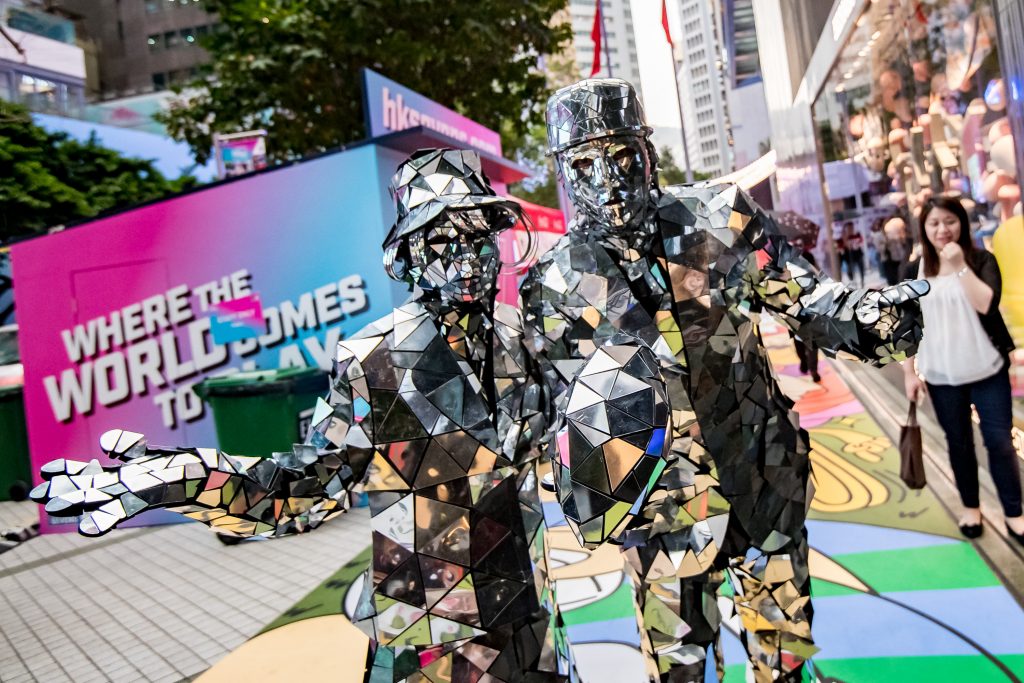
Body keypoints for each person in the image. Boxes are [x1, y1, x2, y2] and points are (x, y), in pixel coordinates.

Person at [32, 149, 566, 681]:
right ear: (408, 258)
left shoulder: (522, 337)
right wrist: (189, 480)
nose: (468, 257)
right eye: (443, 239)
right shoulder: (374, 360)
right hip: (432, 636)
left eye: (478, 235)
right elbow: (309, 487)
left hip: (529, 617)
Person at [522, 78, 928, 682]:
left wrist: (872, 323)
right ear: (561, 170)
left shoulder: (719, 218)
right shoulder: (552, 283)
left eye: (622, 156)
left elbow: (804, 298)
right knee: (678, 670)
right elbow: (560, 413)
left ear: (648, 155)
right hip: (657, 518)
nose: (607, 181)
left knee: (785, 656)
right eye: (583, 163)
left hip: (763, 478)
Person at [902, 195, 1024, 545]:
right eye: (934, 223)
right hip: (942, 376)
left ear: (962, 223)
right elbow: (905, 327)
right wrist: (910, 374)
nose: (943, 229)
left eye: (950, 221)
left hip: (988, 369)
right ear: (924, 229)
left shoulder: (982, 259)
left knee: (1000, 443)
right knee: (959, 444)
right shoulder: (913, 272)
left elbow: (985, 303)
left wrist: (959, 266)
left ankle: (1014, 513)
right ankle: (971, 508)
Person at [792, 239, 821, 382]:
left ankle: (814, 369)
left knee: (813, 343)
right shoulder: (789, 265)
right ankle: (803, 360)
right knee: (799, 343)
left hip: (810, 313)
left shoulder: (809, 260)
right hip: (794, 313)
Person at [881, 215, 915, 286]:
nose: (887, 236)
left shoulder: (911, 244)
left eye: (889, 233)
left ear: (899, 232)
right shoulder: (888, 248)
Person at [842, 221, 866, 287]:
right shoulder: (846, 236)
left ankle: (862, 281)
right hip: (850, 255)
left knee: (861, 268)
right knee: (851, 270)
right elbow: (846, 245)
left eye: (851, 227)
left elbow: (861, 242)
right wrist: (846, 237)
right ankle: (853, 280)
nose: (851, 229)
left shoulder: (857, 234)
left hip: (858, 253)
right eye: (849, 228)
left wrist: (858, 243)